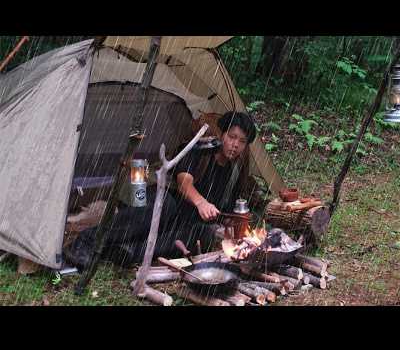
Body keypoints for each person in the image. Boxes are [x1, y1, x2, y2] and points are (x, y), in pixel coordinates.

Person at [64, 111, 257, 270]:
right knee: (165, 205)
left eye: (241, 141)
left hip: (177, 221)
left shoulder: (234, 172)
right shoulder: (200, 150)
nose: (235, 144)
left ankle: (125, 251)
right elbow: (184, 183)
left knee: (199, 235)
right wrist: (201, 202)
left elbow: (227, 210)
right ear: (222, 134)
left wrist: (231, 223)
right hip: (151, 199)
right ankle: (85, 241)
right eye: (231, 137)